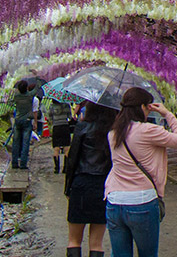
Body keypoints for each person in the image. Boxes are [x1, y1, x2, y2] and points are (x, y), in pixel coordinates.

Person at [105, 87, 177, 257]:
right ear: (143, 107)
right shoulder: (148, 130)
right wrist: (167, 114)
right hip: (142, 201)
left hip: (114, 201)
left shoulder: (113, 133)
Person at [66, 102, 117, 257]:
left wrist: (68, 187)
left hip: (81, 182)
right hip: (102, 185)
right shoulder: (114, 131)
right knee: (96, 243)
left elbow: (72, 158)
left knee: (74, 240)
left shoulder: (82, 126)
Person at [9, 77, 36, 169]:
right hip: (27, 121)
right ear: (27, 88)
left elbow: (10, 102)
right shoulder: (30, 96)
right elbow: (37, 88)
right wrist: (37, 77)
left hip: (17, 121)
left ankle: (14, 163)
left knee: (16, 142)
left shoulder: (16, 96)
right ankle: (23, 164)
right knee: (25, 142)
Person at [50, 96, 75, 174]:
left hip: (56, 127)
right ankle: (65, 168)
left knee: (56, 148)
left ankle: (56, 168)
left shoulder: (52, 106)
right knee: (66, 147)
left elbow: (50, 118)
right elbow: (70, 117)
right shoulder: (66, 105)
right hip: (65, 127)